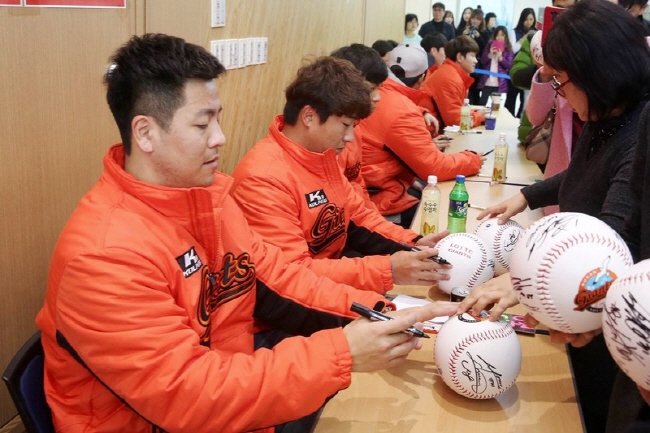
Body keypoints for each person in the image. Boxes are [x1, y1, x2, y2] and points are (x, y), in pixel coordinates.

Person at [35, 33, 459, 432]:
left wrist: (382, 311)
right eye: (202, 126)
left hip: (233, 395)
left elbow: (284, 280)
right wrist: (341, 353)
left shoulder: (210, 200)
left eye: (218, 119)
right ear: (145, 133)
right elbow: (186, 394)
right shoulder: (103, 255)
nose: (220, 138)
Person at [457, 2, 650, 432]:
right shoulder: (606, 118)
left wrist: (522, 281)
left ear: (597, 73)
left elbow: (615, 235)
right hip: (589, 304)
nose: (558, 94)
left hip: (608, 311)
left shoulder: (639, 133)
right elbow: (581, 172)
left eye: (560, 83)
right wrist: (527, 196)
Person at [231, 55, 453, 294]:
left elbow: (359, 217)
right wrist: (387, 270)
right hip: (292, 303)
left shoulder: (321, 155)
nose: (349, 138)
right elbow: (292, 274)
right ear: (309, 116)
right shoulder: (263, 180)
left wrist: (413, 243)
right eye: (345, 125)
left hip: (330, 282)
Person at [357, 43, 484, 227]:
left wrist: (421, 113)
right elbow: (434, 167)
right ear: (423, 76)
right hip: (383, 205)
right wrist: (473, 159)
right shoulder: (402, 110)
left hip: (370, 194)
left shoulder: (380, 96)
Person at [422, 36, 485, 129]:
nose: (475, 61)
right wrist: (479, 116)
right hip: (430, 132)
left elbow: (457, 110)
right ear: (460, 57)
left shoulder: (451, 73)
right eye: (472, 56)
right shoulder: (449, 78)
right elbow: (455, 121)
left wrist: (476, 113)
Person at [506, 8, 537, 118]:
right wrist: (525, 37)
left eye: (531, 19)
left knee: (526, 101)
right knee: (511, 98)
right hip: (516, 69)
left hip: (529, 70)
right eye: (526, 19)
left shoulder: (537, 34)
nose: (528, 22)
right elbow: (513, 49)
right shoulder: (514, 32)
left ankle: (520, 120)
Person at [478, 26, 514, 106]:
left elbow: (509, 66)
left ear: (506, 37)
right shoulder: (489, 46)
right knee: (482, 103)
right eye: (497, 35)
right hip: (487, 81)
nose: (499, 37)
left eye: (502, 35)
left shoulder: (508, 49)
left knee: (495, 105)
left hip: (499, 83)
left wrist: (501, 58)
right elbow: (482, 61)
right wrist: (490, 54)